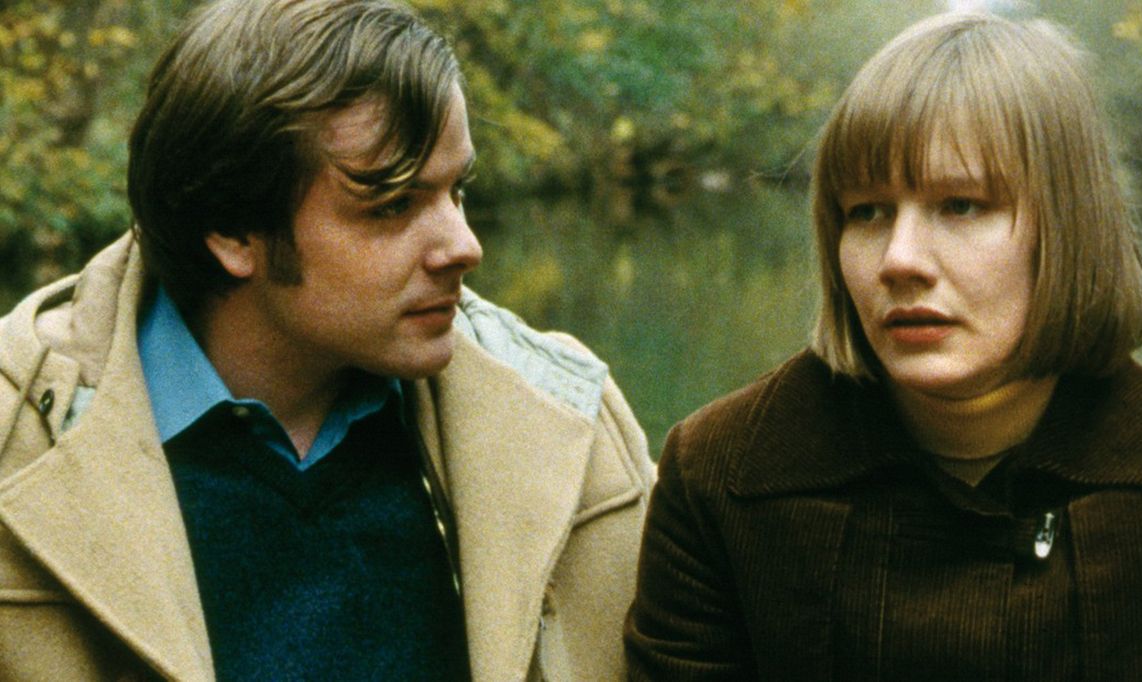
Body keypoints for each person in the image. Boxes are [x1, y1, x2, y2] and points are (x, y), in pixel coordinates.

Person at [0, 0, 654, 679]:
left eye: (456, 190)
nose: (464, 245)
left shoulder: (570, 425)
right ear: (231, 229)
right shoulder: (17, 445)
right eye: (393, 204)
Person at [625, 11, 1142, 681]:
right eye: (867, 211)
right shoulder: (720, 475)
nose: (899, 259)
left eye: (961, 205)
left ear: (1070, 227)